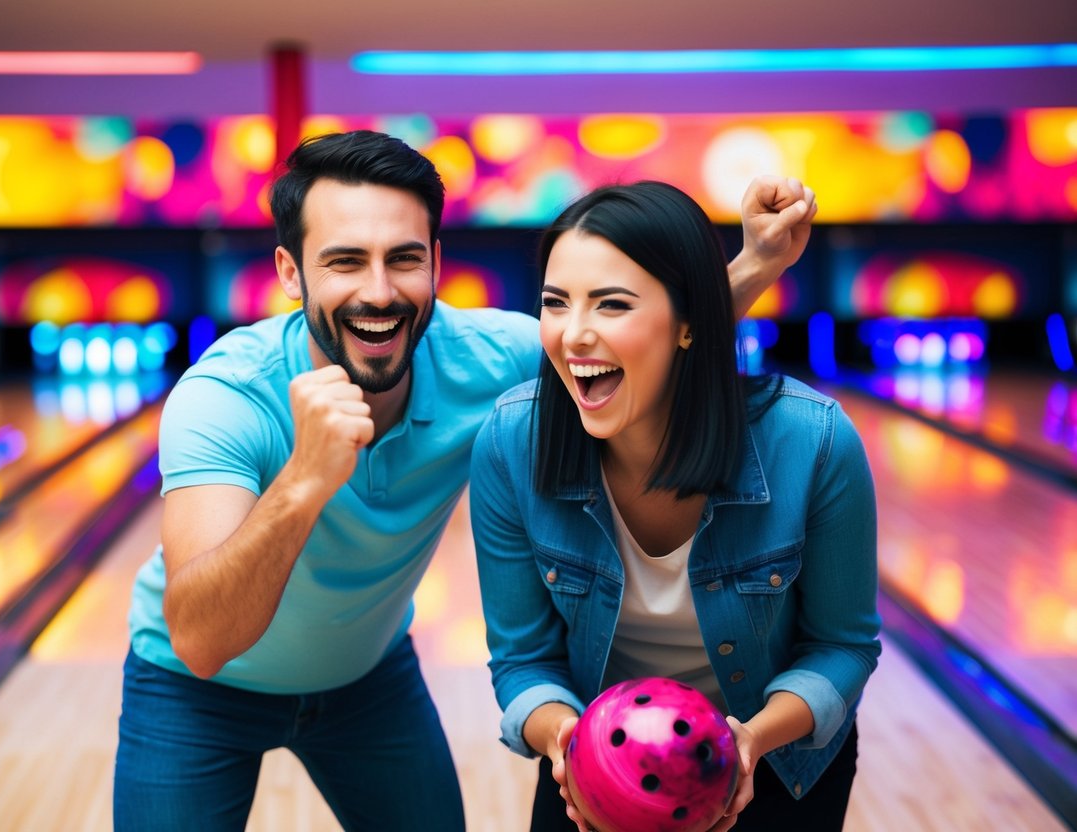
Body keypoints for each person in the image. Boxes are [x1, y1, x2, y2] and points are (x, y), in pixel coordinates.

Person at [113, 130, 818, 831]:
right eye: (345, 262)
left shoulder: (487, 357)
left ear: (437, 264)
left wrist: (755, 264)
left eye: (404, 259)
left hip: (367, 680)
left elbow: (641, 349)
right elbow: (200, 643)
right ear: (290, 273)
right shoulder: (225, 397)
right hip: (192, 696)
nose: (379, 292)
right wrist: (302, 481)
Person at [469, 180, 879, 831]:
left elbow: (841, 646)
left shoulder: (812, 441)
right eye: (555, 303)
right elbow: (523, 660)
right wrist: (569, 744)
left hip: (777, 764)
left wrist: (747, 745)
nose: (573, 334)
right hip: (594, 760)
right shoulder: (513, 443)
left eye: (610, 305)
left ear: (688, 323)